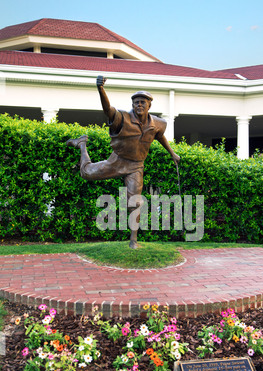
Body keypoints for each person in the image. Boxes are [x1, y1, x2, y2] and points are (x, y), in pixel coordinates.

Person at [66, 76, 180, 249]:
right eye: (136, 102)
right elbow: (108, 110)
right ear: (132, 105)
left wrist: (172, 153)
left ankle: (133, 239)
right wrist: (101, 89)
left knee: (134, 202)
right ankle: (82, 145)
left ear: (149, 105)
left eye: (142, 102)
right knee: (86, 173)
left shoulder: (157, 123)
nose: (139, 105)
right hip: (117, 161)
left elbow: (159, 135)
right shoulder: (123, 118)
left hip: (136, 166)